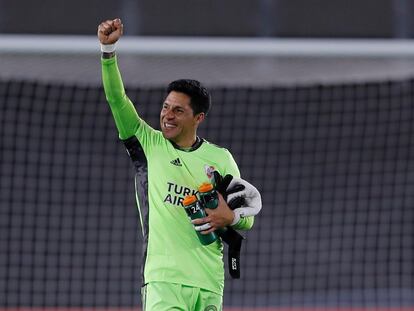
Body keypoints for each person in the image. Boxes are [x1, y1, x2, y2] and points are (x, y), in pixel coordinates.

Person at [97, 18, 262, 311]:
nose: (167, 116)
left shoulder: (221, 159)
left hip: (209, 283)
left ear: (198, 118)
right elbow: (116, 98)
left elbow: (246, 218)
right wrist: (108, 52)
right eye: (165, 107)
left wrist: (231, 218)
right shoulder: (148, 144)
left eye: (178, 110)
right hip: (164, 282)